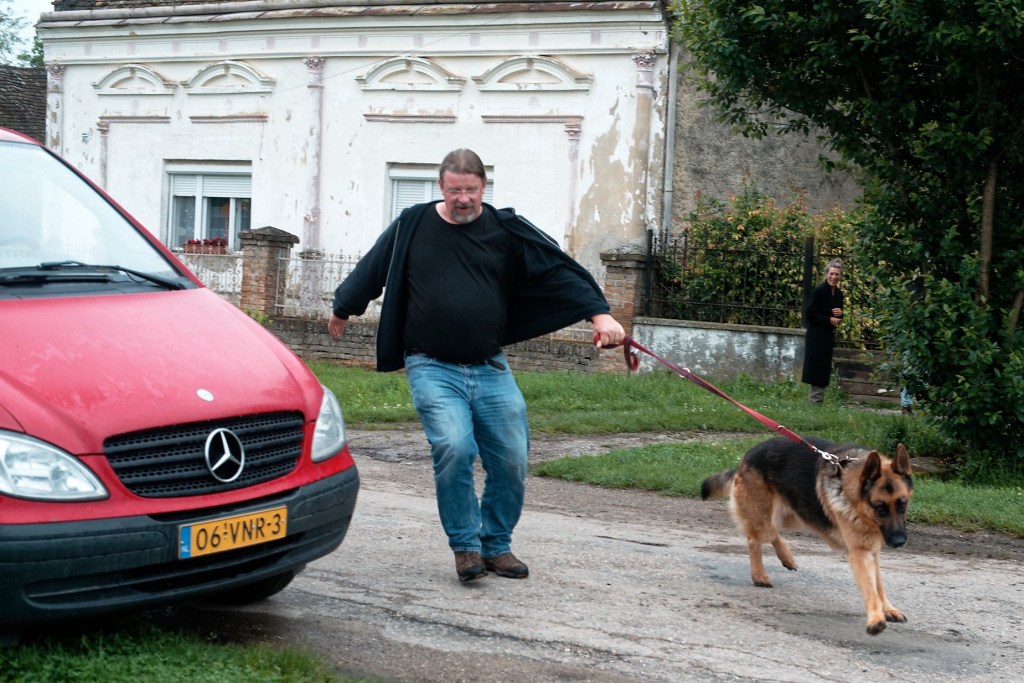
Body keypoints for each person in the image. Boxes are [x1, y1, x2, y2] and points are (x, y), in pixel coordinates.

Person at [328, 148, 625, 583]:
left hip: (490, 367)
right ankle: (466, 547)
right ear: (441, 187)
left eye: (470, 190)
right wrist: (344, 306)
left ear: (483, 187)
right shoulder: (412, 223)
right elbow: (374, 268)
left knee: (510, 459)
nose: (462, 199)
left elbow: (557, 271)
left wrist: (599, 314)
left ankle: (496, 546)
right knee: (454, 447)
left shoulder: (504, 230)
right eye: (454, 191)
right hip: (431, 365)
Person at [801, 259, 844, 404]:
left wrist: (840, 314)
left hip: (827, 337)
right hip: (816, 337)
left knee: (823, 369)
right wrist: (828, 320)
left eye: (837, 274)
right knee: (817, 369)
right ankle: (815, 402)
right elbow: (810, 314)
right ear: (826, 274)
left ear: (840, 276)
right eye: (831, 273)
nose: (834, 277)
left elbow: (836, 315)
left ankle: (817, 402)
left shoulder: (838, 293)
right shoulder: (819, 291)